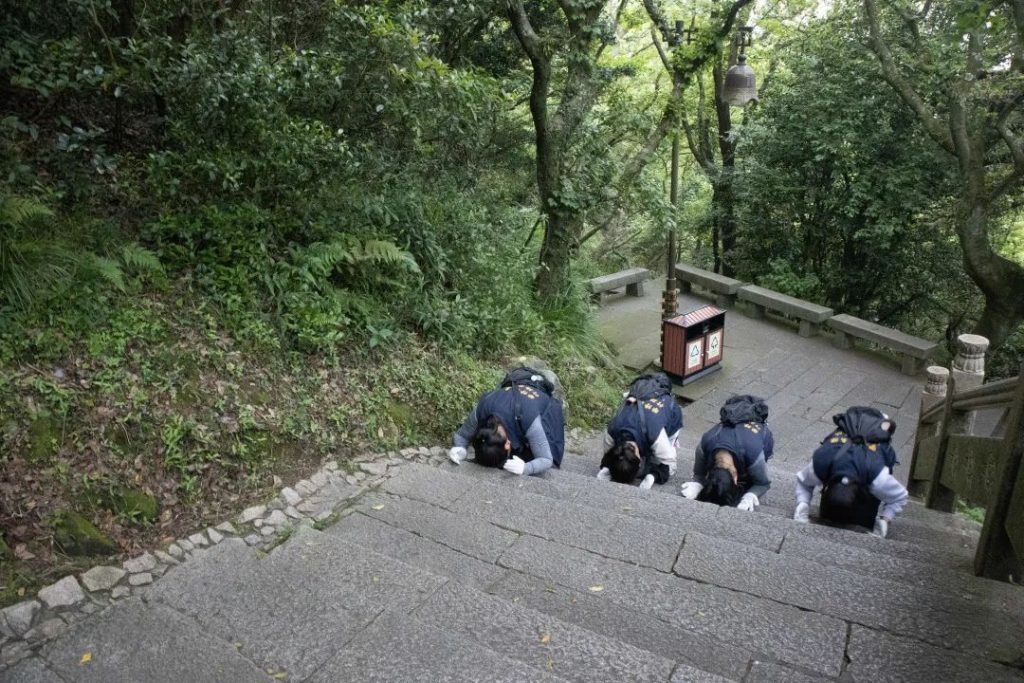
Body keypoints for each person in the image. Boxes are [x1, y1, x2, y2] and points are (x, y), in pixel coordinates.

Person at [793, 406, 908, 538]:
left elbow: (901, 496)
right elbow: (900, 497)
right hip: (849, 447)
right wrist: (885, 518)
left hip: (873, 443)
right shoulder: (822, 463)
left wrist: (885, 519)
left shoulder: (877, 476)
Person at [448, 366, 565, 476]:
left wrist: (526, 468)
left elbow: (546, 459)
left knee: (549, 459)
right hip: (512, 400)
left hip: (541, 406)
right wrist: (460, 448)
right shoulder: (481, 410)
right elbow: (462, 436)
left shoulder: (530, 421)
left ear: (508, 444)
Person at [680, 395, 773, 511]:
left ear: (736, 477)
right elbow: (699, 475)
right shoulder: (704, 445)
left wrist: (751, 495)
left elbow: (763, 483)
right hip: (735, 441)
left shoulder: (754, 456)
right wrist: (698, 484)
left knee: (750, 482)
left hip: (756, 440)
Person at [597, 372, 682, 490]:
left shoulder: (656, 435)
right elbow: (608, 455)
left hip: (669, 416)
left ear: (640, 462)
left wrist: (653, 476)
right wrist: (606, 467)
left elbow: (670, 464)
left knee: (657, 459)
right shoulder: (613, 429)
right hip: (641, 407)